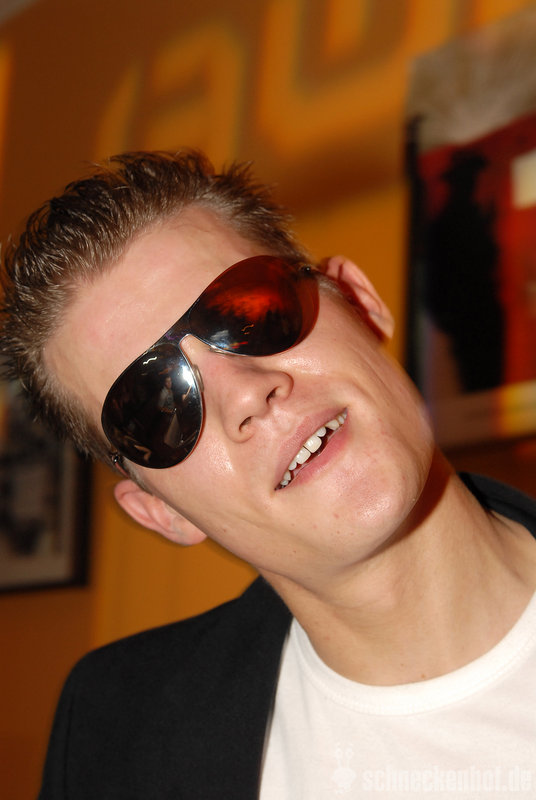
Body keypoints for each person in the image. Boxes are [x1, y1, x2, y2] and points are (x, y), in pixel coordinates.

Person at [1, 151, 535, 799]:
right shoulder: (110, 734)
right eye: (156, 408)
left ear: (361, 303)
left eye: (249, 312)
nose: (248, 394)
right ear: (162, 513)